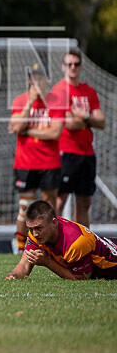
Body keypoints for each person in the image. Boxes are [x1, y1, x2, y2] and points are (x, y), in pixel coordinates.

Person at [8, 63, 64, 252]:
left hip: (49, 162)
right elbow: (15, 127)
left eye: (41, 78)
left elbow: (54, 133)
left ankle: (51, 247)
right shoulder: (20, 100)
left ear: (47, 79)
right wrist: (30, 102)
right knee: (24, 207)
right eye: (34, 78)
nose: (37, 82)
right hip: (26, 162)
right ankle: (21, 248)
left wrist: (28, 130)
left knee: (50, 207)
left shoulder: (56, 101)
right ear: (29, 80)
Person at [51, 49, 105, 227]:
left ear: (81, 66)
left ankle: (84, 247)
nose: (72, 67)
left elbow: (101, 121)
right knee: (59, 201)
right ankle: (56, 246)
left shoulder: (88, 91)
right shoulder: (59, 91)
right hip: (66, 152)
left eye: (75, 64)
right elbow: (70, 124)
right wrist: (89, 119)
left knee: (84, 203)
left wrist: (83, 115)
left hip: (87, 153)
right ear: (63, 67)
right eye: (69, 64)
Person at [6, 200, 117, 280]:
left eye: (38, 228)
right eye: (30, 229)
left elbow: (80, 278)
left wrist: (47, 262)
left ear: (54, 222)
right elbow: (24, 265)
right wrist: (14, 275)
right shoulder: (37, 232)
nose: (34, 234)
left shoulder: (76, 242)